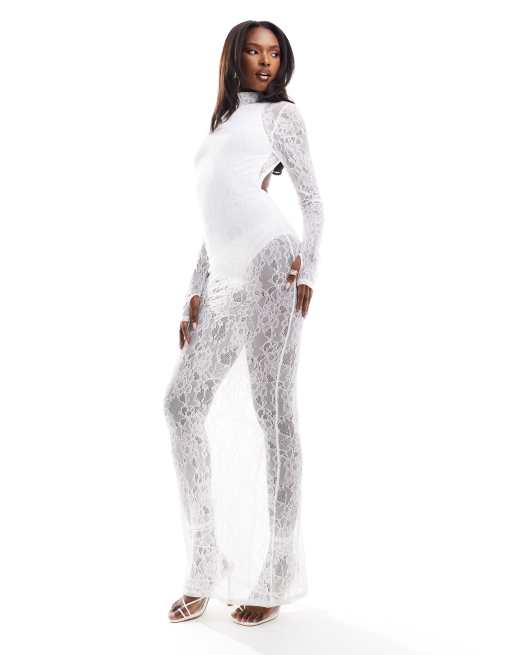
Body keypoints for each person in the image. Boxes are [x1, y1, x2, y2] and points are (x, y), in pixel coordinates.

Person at [164, 20, 324, 627]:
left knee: (272, 410)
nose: (265, 61)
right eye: (254, 51)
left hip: (272, 265)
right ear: (234, 58)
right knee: (181, 405)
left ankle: (278, 567)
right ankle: (205, 561)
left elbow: (311, 199)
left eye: (274, 53)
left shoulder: (282, 116)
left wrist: (310, 269)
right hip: (224, 277)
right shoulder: (225, 120)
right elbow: (216, 215)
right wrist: (194, 292)